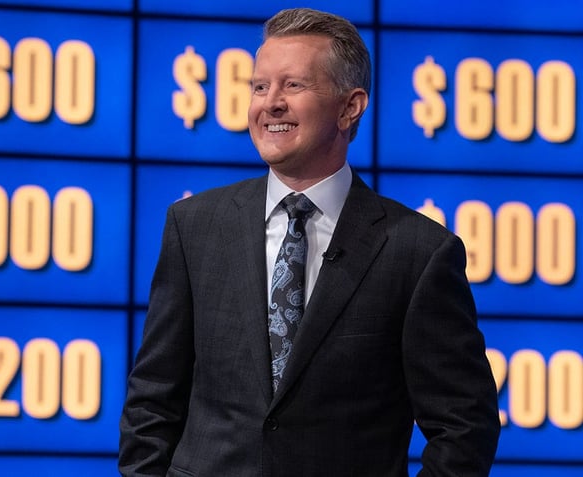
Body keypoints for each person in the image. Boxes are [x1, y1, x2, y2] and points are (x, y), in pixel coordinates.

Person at [119, 7, 500, 477]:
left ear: (349, 106)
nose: (270, 103)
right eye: (260, 87)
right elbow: (152, 400)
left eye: (293, 86)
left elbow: (465, 426)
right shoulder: (194, 225)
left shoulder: (418, 252)